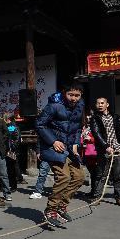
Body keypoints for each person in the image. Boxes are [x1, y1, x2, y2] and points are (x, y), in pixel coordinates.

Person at [36, 83, 85, 228]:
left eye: (77, 95)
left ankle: (61, 205)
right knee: (64, 177)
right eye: (71, 95)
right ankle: (51, 209)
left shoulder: (80, 106)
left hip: (70, 148)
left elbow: (77, 128)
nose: (74, 98)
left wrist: (76, 143)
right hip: (54, 148)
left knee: (79, 177)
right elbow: (39, 124)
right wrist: (53, 141)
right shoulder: (54, 105)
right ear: (64, 93)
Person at [89, 97, 120, 206]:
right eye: (98, 103)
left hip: (117, 150)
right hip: (104, 151)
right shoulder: (94, 118)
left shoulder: (115, 117)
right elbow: (96, 134)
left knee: (119, 175)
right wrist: (105, 146)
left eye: (102, 103)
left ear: (107, 105)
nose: (100, 105)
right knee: (101, 175)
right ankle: (96, 197)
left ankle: (119, 198)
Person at [3, 113, 23, 190]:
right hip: (8, 149)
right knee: (10, 167)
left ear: (8, 119)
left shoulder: (12, 127)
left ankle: (13, 185)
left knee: (12, 168)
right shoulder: (9, 126)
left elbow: (16, 139)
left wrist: (12, 148)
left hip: (11, 150)